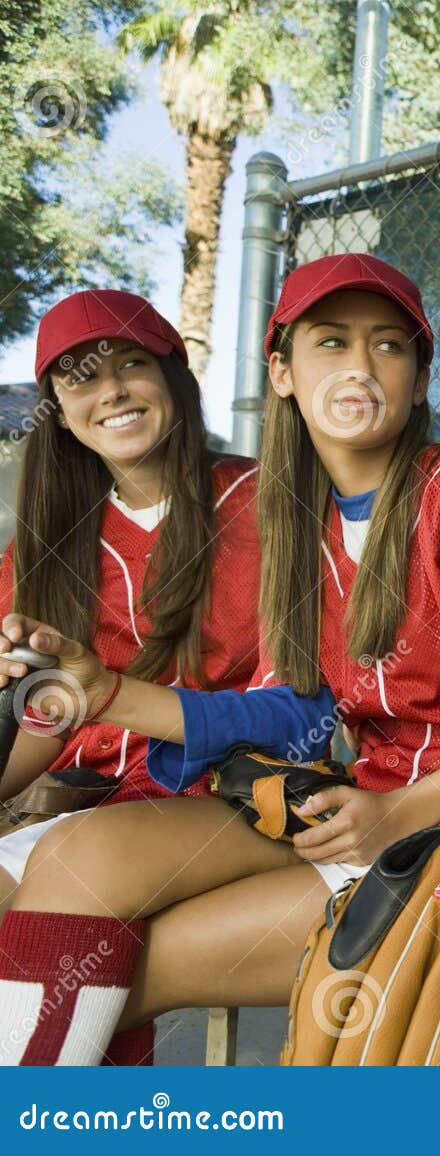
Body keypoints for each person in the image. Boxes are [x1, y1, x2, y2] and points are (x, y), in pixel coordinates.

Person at [0, 254, 440, 1066]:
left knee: (99, 940)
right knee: (85, 913)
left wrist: (400, 810)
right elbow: (304, 705)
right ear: (280, 372)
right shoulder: (307, 519)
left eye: (388, 344)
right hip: (360, 809)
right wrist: (97, 693)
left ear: (421, 377)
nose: (359, 365)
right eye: (330, 342)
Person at [0, 291, 260, 1064]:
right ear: (57, 410)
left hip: (241, 790)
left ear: (173, 376)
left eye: (131, 364)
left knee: (81, 871)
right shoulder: (48, 547)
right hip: (99, 799)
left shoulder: (268, 503)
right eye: (80, 377)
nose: (110, 390)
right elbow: (45, 717)